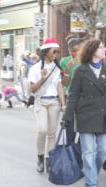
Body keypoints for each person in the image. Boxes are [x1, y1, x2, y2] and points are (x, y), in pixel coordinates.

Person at [63, 39, 106, 187]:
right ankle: (91, 183)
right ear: (92, 51)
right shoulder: (80, 70)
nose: (104, 49)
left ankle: (90, 172)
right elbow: (73, 95)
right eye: (101, 47)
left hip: (103, 115)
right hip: (85, 115)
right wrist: (68, 116)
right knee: (88, 151)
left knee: (104, 149)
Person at [28, 38, 66, 174]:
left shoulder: (57, 68)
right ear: (46, 52)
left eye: (58, 51)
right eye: (54, 51)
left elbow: (59, 86)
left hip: (54, 102)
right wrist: (42, 78)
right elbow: (32, 89)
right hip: (41, 101)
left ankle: (49, 159)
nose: (56, 54)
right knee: (42, 130)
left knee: (52, 133)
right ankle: (40, 156)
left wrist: (63, 104)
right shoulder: (35, 68)